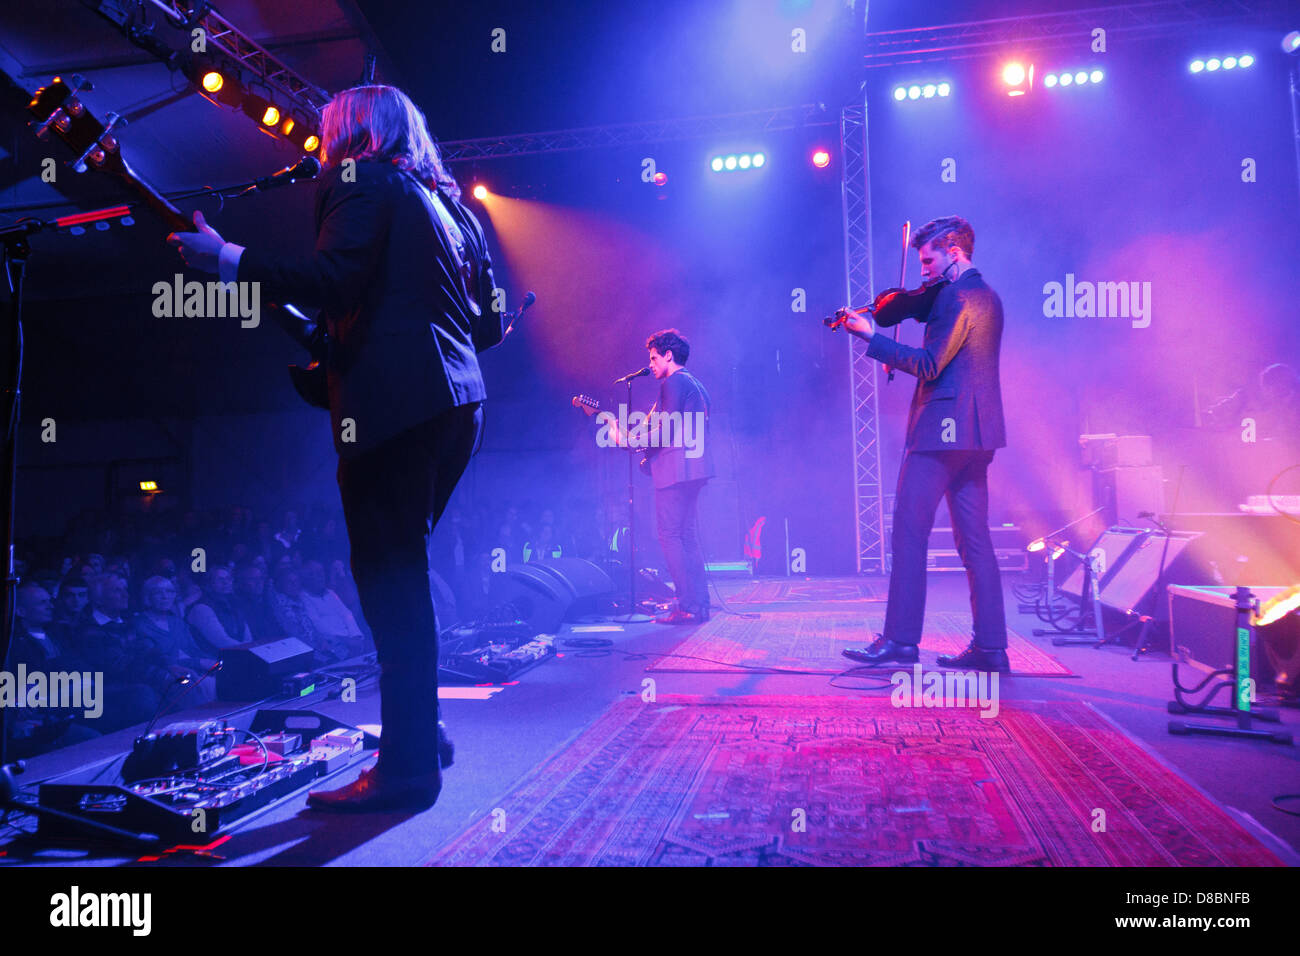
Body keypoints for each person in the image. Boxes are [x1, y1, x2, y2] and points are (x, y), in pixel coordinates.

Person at [168, 84, 507, 811]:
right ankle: (423, 732)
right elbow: (487, 327)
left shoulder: (357, 179)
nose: (319, 142)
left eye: (326, 129)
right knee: (404, 579)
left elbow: (333, 279)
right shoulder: (456, 209)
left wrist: (228, 257)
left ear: (351, 130)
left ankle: (408, 767)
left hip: (395, 407)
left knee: (391, 586)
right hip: (458, 406)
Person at [833, 216, 1010, 672]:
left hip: (939, 433)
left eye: (928, 259)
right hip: (979, 434)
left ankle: (900, 641)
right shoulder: (988, 295)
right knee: (976, 542)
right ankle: (992, 648)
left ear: (954, 250)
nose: (923, 271)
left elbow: (931, 364)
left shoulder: (954, 295)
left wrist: (873, 337)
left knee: (908, 534)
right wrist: (904, 311)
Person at [602, 329, 715, 624]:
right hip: (694, 469)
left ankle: (687, 604)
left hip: (676, 471)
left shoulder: (674, 381)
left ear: (668, 355)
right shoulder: (696, 385)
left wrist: (630, 441)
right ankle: (699, 603)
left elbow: (667, 429)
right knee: (687, 538)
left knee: (670, 536)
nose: (650, 364)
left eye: (653, 358)